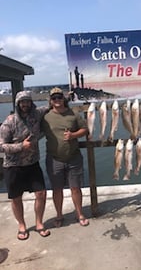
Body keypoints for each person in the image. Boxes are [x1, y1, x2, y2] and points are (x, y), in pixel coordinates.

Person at [0, 91, 50, 240]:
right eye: (22, 102)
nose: (25, 104)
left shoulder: (37, 114)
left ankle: (39, 223)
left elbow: (50, 105)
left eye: (27, 101)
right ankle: (22, 226)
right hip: (13, 166)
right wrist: (21, 146)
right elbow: (1, 146)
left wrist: (70, 95)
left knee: (41, 193)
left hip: (32, 164)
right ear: (17, 104)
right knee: (16, 198)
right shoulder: (9, 122)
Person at [41, 87, 89, 228]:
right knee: (57, 189)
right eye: (54, 98)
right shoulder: (45, 116)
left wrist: (73, 135)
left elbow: (85, 129)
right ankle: (59, 215)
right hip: (54, 159)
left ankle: (79, 213)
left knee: (75, 188)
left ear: (63, 99)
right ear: (50, 100)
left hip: (74, 158)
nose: (57, 100)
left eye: (59, 97)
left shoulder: (73, 114)